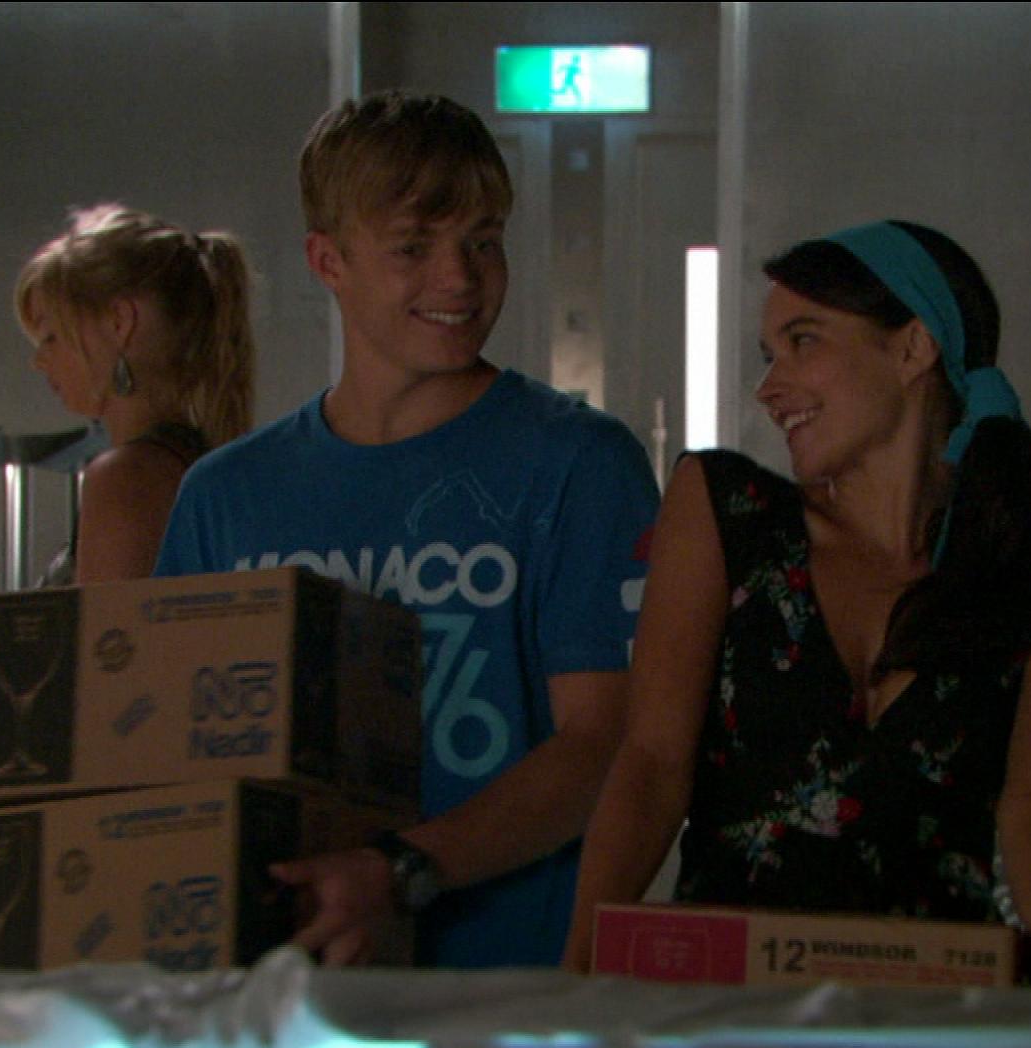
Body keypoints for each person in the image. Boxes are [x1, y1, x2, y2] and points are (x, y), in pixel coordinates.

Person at [155, 91, 660, 969]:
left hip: (510, 991)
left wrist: (401, 873)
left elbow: (607, 744)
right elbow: (169, 755)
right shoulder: (226, 497)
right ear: (328, 260)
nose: (460, 278)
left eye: (484, 241)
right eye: (413, 247)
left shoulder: (580, 465)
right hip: (285, 988)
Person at [561, 221, 1031, 979]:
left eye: (803, 342)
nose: (769, 388)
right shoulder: (727, 514)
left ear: (913, 348)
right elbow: (653, 763)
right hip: (729, 1004)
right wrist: (578, 969)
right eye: (769, 355)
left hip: (931, 1006)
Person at [0, 205, 255, 676]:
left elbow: (108, 676)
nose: (39, 361)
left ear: (119, 322)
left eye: (51, 336)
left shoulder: (129, 477)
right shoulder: (184, 460)